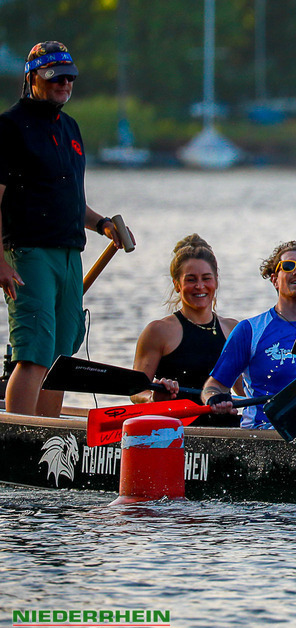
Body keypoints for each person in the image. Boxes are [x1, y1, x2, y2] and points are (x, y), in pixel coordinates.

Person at [0, 41, 131, 416]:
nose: (64, 84)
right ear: (32, 79)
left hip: (70, 253)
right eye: (55, 77)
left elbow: (70, 200)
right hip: (29, 252)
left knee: (61, 356)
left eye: (70, 77)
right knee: (34, 351)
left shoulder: (70, 127)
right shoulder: (10, 127)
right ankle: (20, 434)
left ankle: (48, 435)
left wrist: (102, 224)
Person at [202, 241, 296, 431]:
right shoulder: (249, 330)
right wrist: (214, 398)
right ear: (274, 280)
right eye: (288, 266)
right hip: (265, 429)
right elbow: (213, 386)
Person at [131, 235, 240, 424]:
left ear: (216, 281)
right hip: (175, 427)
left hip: (225, 428)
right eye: (191, 279)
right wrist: (153, 397)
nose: (200, 286)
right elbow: (136, 391)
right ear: (177, 284)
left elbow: (247, 391)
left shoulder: (234, 329)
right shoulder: (158, 331)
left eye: (206, 278)